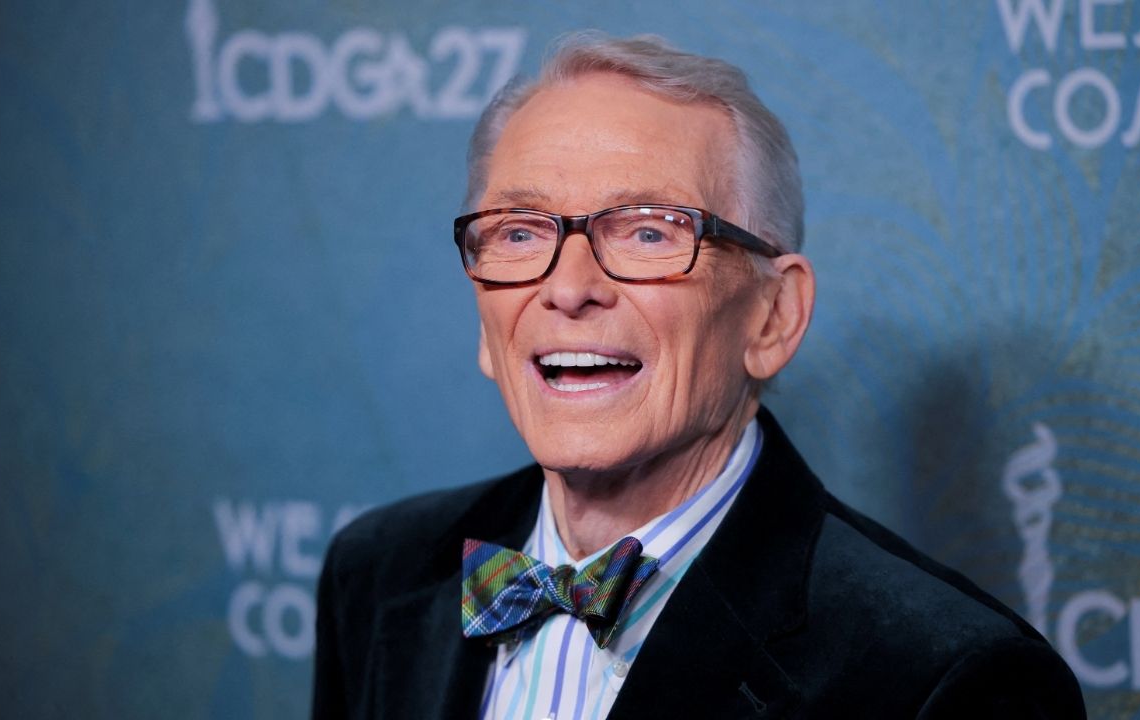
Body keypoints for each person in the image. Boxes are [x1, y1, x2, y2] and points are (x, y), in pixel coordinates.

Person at [312, 32, 1086, 719]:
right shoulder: (379, 575)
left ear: (773, 316)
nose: (568, 287)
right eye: (520, 232)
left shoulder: (944, 679)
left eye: (650, 231)